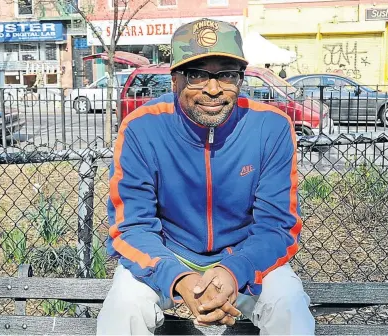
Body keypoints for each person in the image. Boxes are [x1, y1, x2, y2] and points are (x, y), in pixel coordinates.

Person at [97, 18, 314, 335]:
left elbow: (277, 225)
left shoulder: (271, 127)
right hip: (167, 252)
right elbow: (132, 226)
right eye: (197, 74)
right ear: (175, 80)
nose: (213, 89)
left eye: (226, 73)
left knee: (290, 305)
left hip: (243, 253)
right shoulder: (142, 127)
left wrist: (232, 271)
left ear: (240, 79)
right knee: (123, 308)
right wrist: (179, 279)